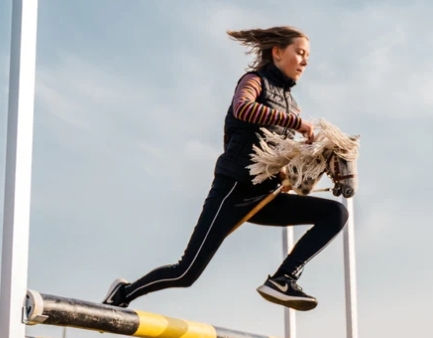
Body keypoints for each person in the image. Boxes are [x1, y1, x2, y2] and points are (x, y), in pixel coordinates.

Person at [102, 26, 348, 312]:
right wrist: (297, 124)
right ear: (277, 52)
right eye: (300, 53)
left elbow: (277, 152)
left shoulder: (292, 104)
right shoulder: (253, 81)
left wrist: (295, 173)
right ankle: (123, 293)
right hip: (233, 189)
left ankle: (284, 279)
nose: (305, 61)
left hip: (265, 196)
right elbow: (242, 108)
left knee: (335, 212)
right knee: (186, 273)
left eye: (308, 56)